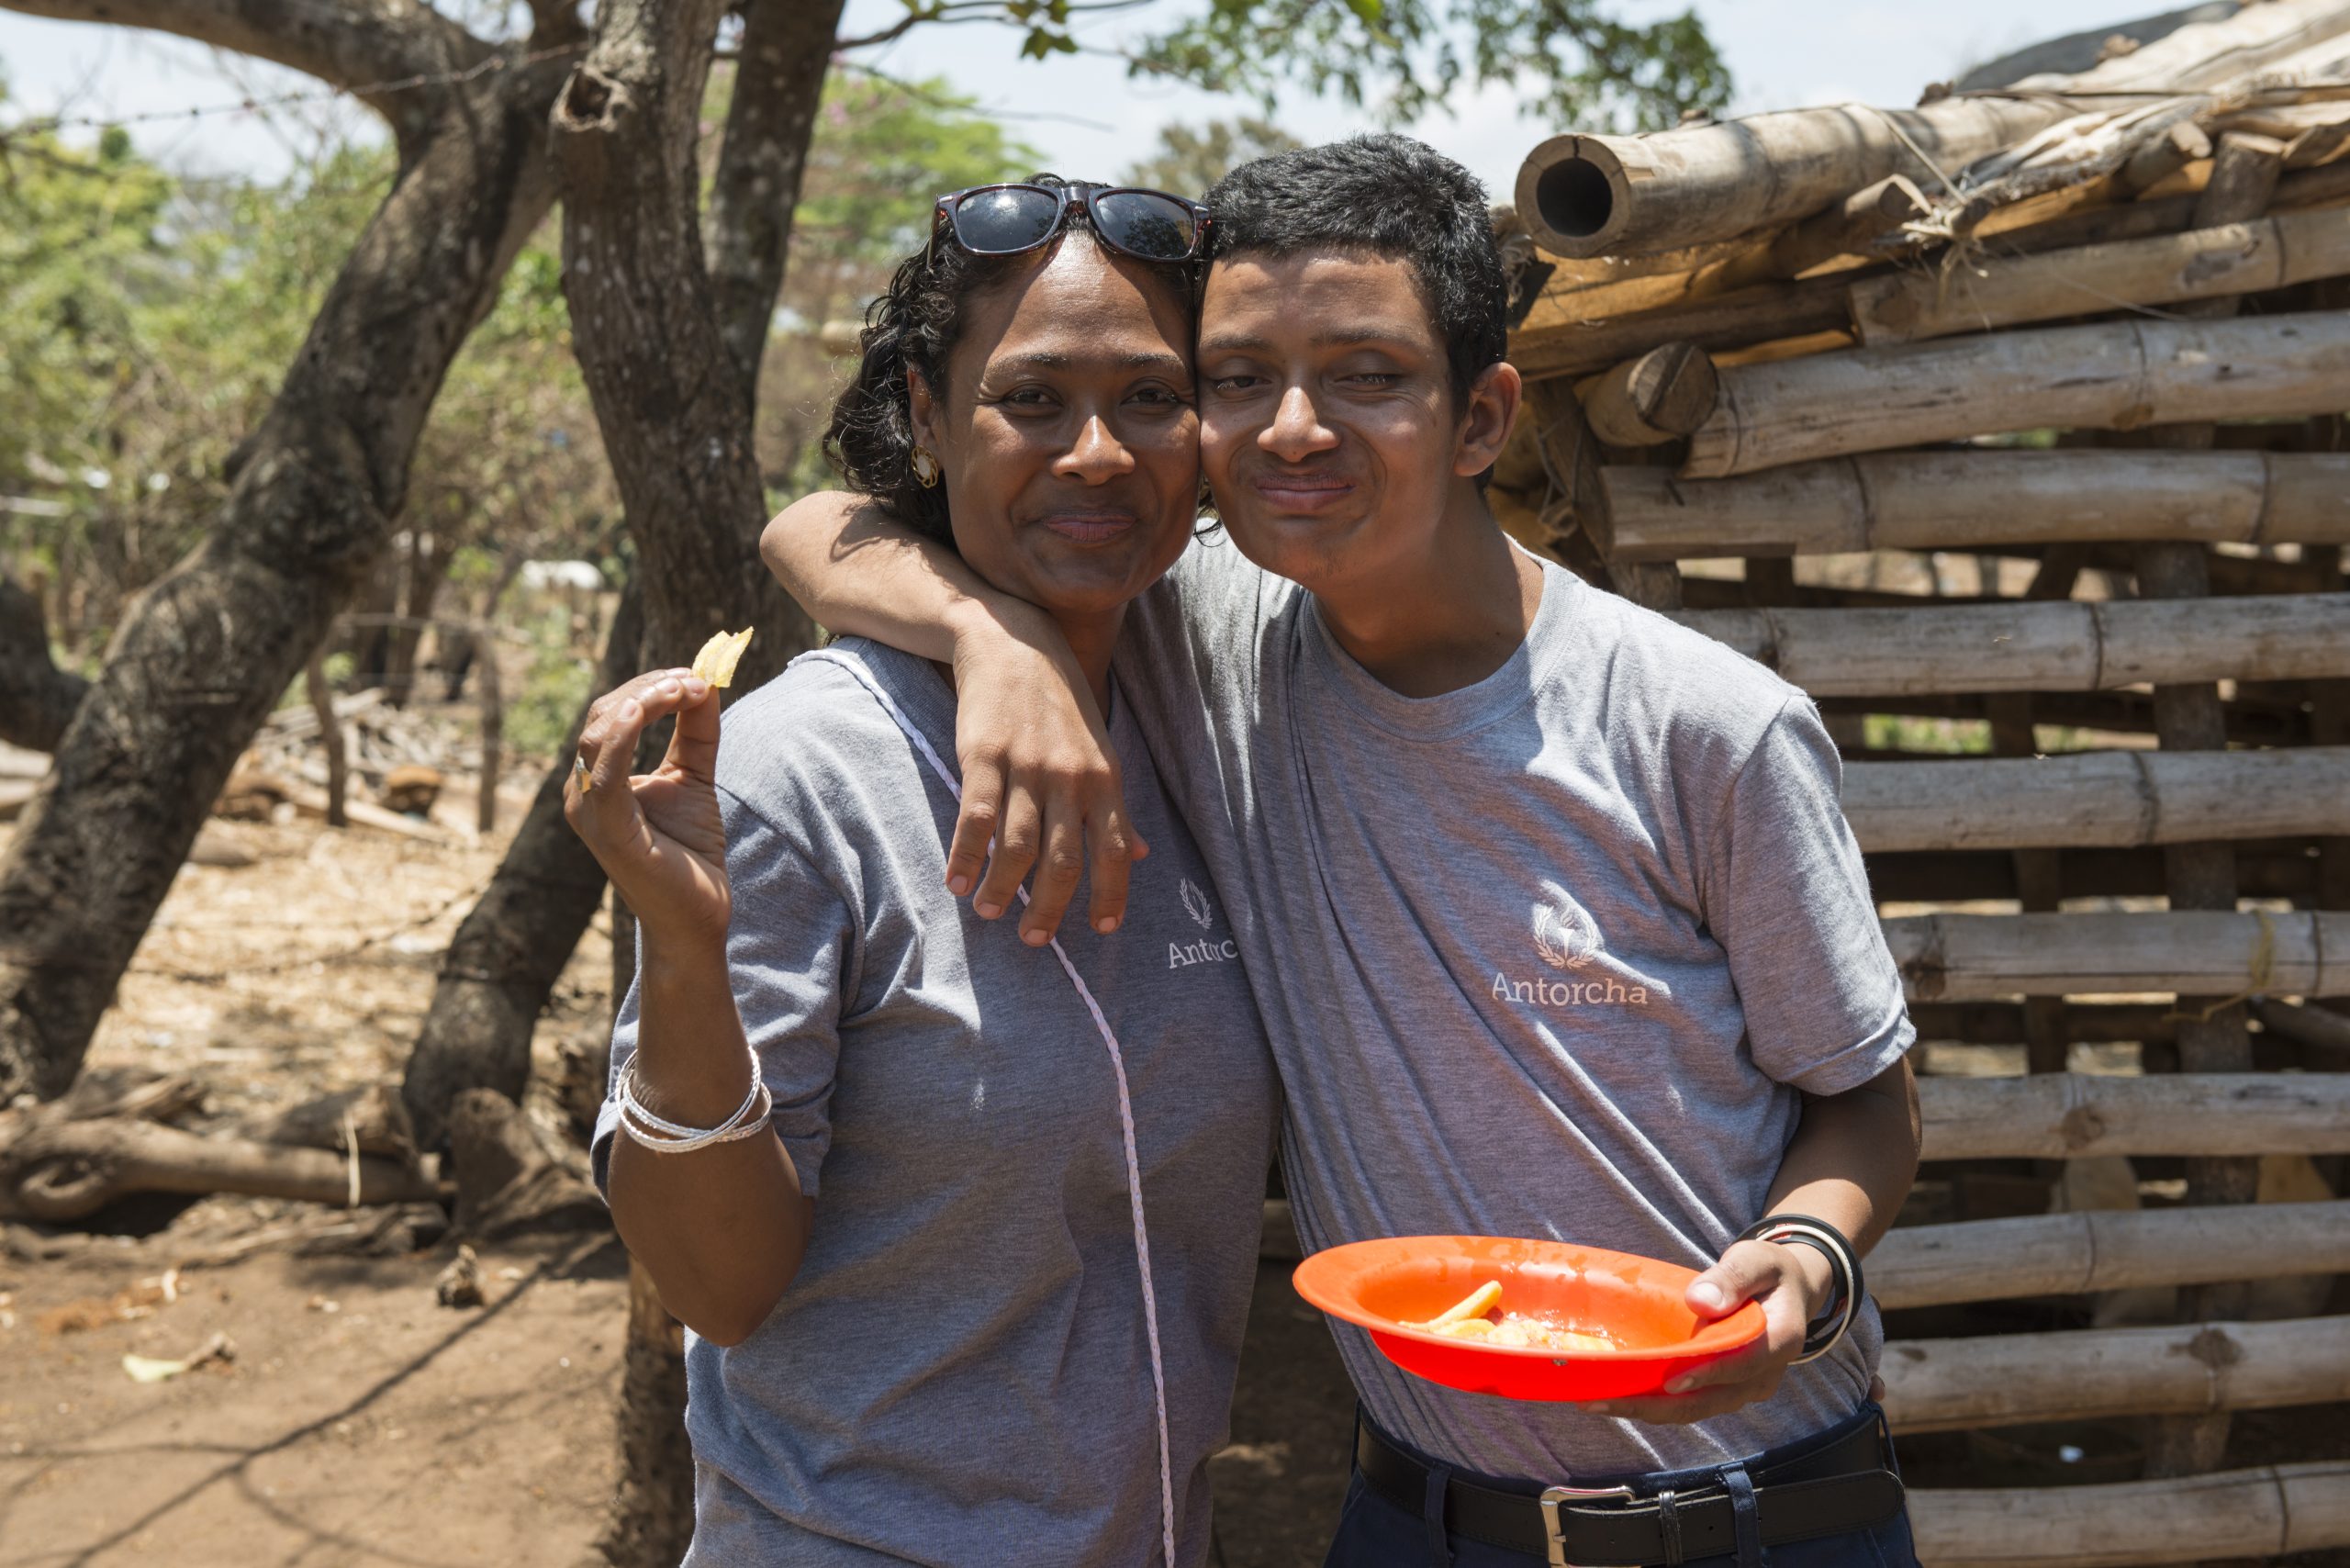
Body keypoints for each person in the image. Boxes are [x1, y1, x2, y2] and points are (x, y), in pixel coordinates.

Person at [764, 136, 1924, 1567]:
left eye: (1367, 375)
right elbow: (812, 522)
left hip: (1752, 1512)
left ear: (1484, 416)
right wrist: (986, 639)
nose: (1293, 429)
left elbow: (1867, 1100)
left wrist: (1808, 1253)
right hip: (1412, 1510)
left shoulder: (1707, 731)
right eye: (1238, 379)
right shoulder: (1200, 639)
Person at [566, 177, 1278, 1566]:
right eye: (1030, 399)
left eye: (1151, 397)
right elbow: (717, 1283)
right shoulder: (803, 768)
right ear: (930, 418)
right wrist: (688, 952)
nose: (1097, 453)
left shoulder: (1210, 697)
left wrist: (1001, 641)